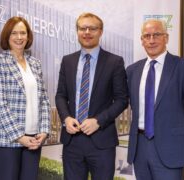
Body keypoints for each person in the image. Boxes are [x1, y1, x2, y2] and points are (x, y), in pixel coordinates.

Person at [55, 12, 129, 180]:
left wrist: (98, 121)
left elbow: (122, 99)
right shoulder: (68, 61)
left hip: (101, 140)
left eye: (92, 28)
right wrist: (66, 118)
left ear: (100, 32)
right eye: (83, 28)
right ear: (77, 31)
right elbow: (60, 95)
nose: (87, 32)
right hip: (72, 141)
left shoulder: (115, 62)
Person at [126, 19, 184, 180]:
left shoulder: (183, 67)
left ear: (166, 38)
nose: (151, 40)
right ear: (142, 40)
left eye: (157, 35)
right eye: (147, 36)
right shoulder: (132, 70)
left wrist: (176, 131)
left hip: (171, 147)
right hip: (140, 148)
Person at [0, 16, 50, 180]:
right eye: (14, 33)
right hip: (7, 140)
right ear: (7, 36)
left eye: (23, 33)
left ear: (28, 36)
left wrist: (44, 130)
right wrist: (20, 137)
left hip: (34, 139)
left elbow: (43, 99)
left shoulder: (35, 63)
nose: (19, 37)